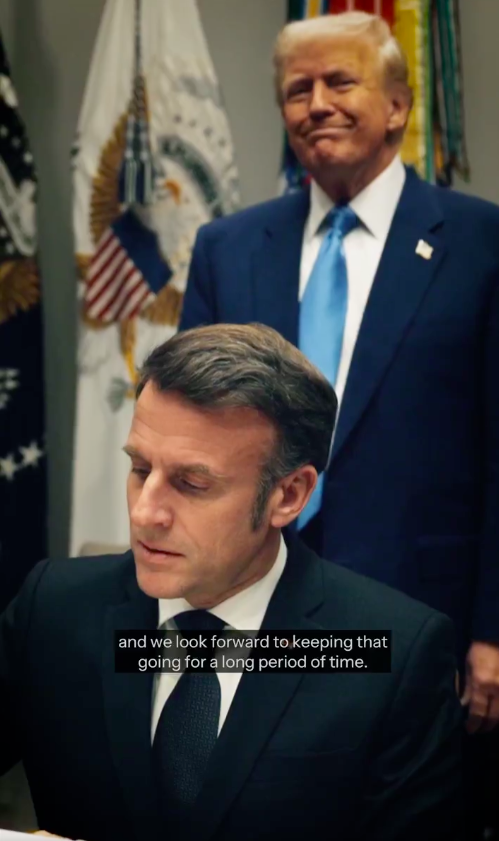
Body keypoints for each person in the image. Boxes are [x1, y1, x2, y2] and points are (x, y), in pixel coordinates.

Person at [179, 13, 499, 835]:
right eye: (296, 88)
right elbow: (194, 443)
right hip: (253, 615)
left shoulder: (479, 241)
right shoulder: (228, 246)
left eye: (339, 81)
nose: (315, 103)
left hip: (423, 621)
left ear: (396, 104)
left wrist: (494, 633)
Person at [0, 324, 462, 841]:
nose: (145, 512)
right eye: (139, 468)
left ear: (288, 495)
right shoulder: (55, 609)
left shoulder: (393, 655)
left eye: (192, 484)